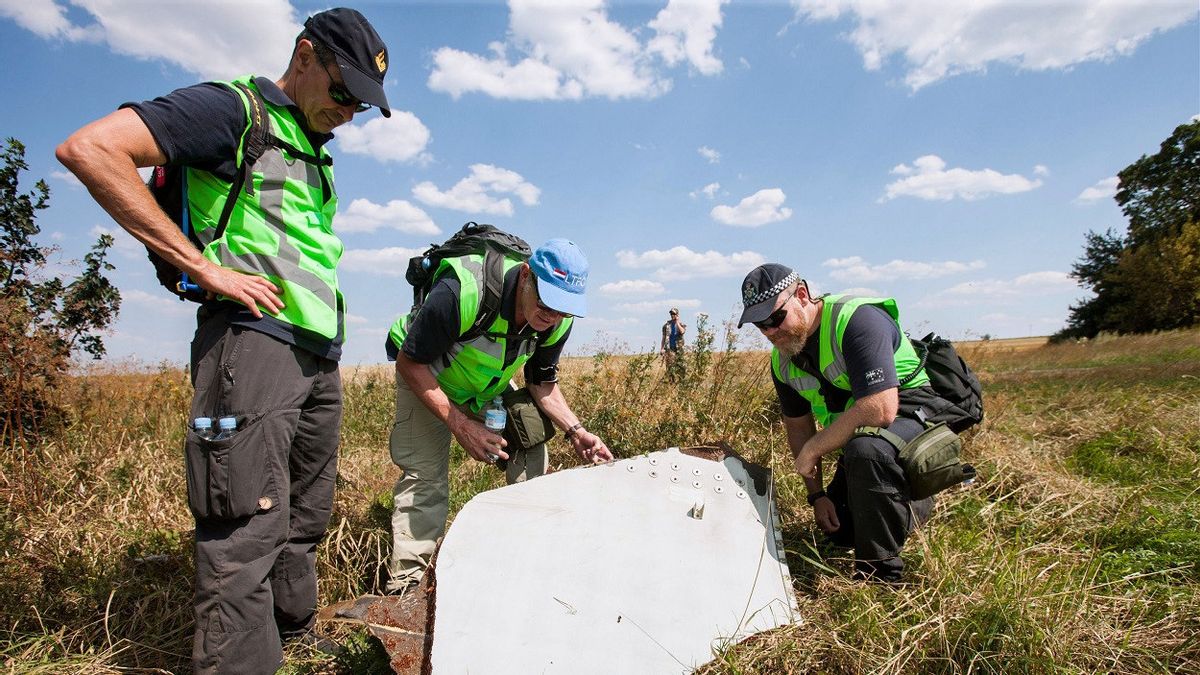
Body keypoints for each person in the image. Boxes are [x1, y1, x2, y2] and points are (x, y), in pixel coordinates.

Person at [56, 8, 391, 672]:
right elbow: (91, 148)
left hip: (315, 353)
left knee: (302, 513)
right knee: (245, 522)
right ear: (305, 56)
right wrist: (201, 265)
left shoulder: (311, 148)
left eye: (363, 103)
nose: (351, 111)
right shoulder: (233, 111)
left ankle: (294, 637)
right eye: (344, 91)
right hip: (252, 344)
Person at [383, 238, 613, 593]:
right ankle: (405, 588)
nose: (551, 316)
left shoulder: (556, 322)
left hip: (483, 387)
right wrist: (460, 425)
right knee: (426, 477)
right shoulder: (463, 291)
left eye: (564, 309)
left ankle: (522, 553)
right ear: (525, 276)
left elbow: (541, 383)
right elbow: (409, 362)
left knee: (533, 441)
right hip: (427, 374)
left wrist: (576, 431)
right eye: (547, 302)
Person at [737, 263, 940, 582]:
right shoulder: (783, 362)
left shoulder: (856, 320)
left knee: (866, 450)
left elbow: (880, 409)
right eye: (761, 326)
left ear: (801, 295)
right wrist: (817, 497)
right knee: (842, 530)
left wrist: (815, 449)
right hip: (861, 431)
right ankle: (903, 503)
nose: (771, 332)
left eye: (776, 318)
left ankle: (879, 575)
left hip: (914, 412)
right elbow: (799, 428)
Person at [660, 307, 687, 377]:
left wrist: (677, 322)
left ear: (677, 315)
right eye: (671, 314)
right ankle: (671, 384)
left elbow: (682, 331)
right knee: (670, 368)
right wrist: (662, 348)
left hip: (679, 349)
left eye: (674, 314)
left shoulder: (681, 324)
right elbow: (663, 338)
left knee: (681, 367)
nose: (672, 315)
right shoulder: (666, 326)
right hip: (670, 349)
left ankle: (681, 383)